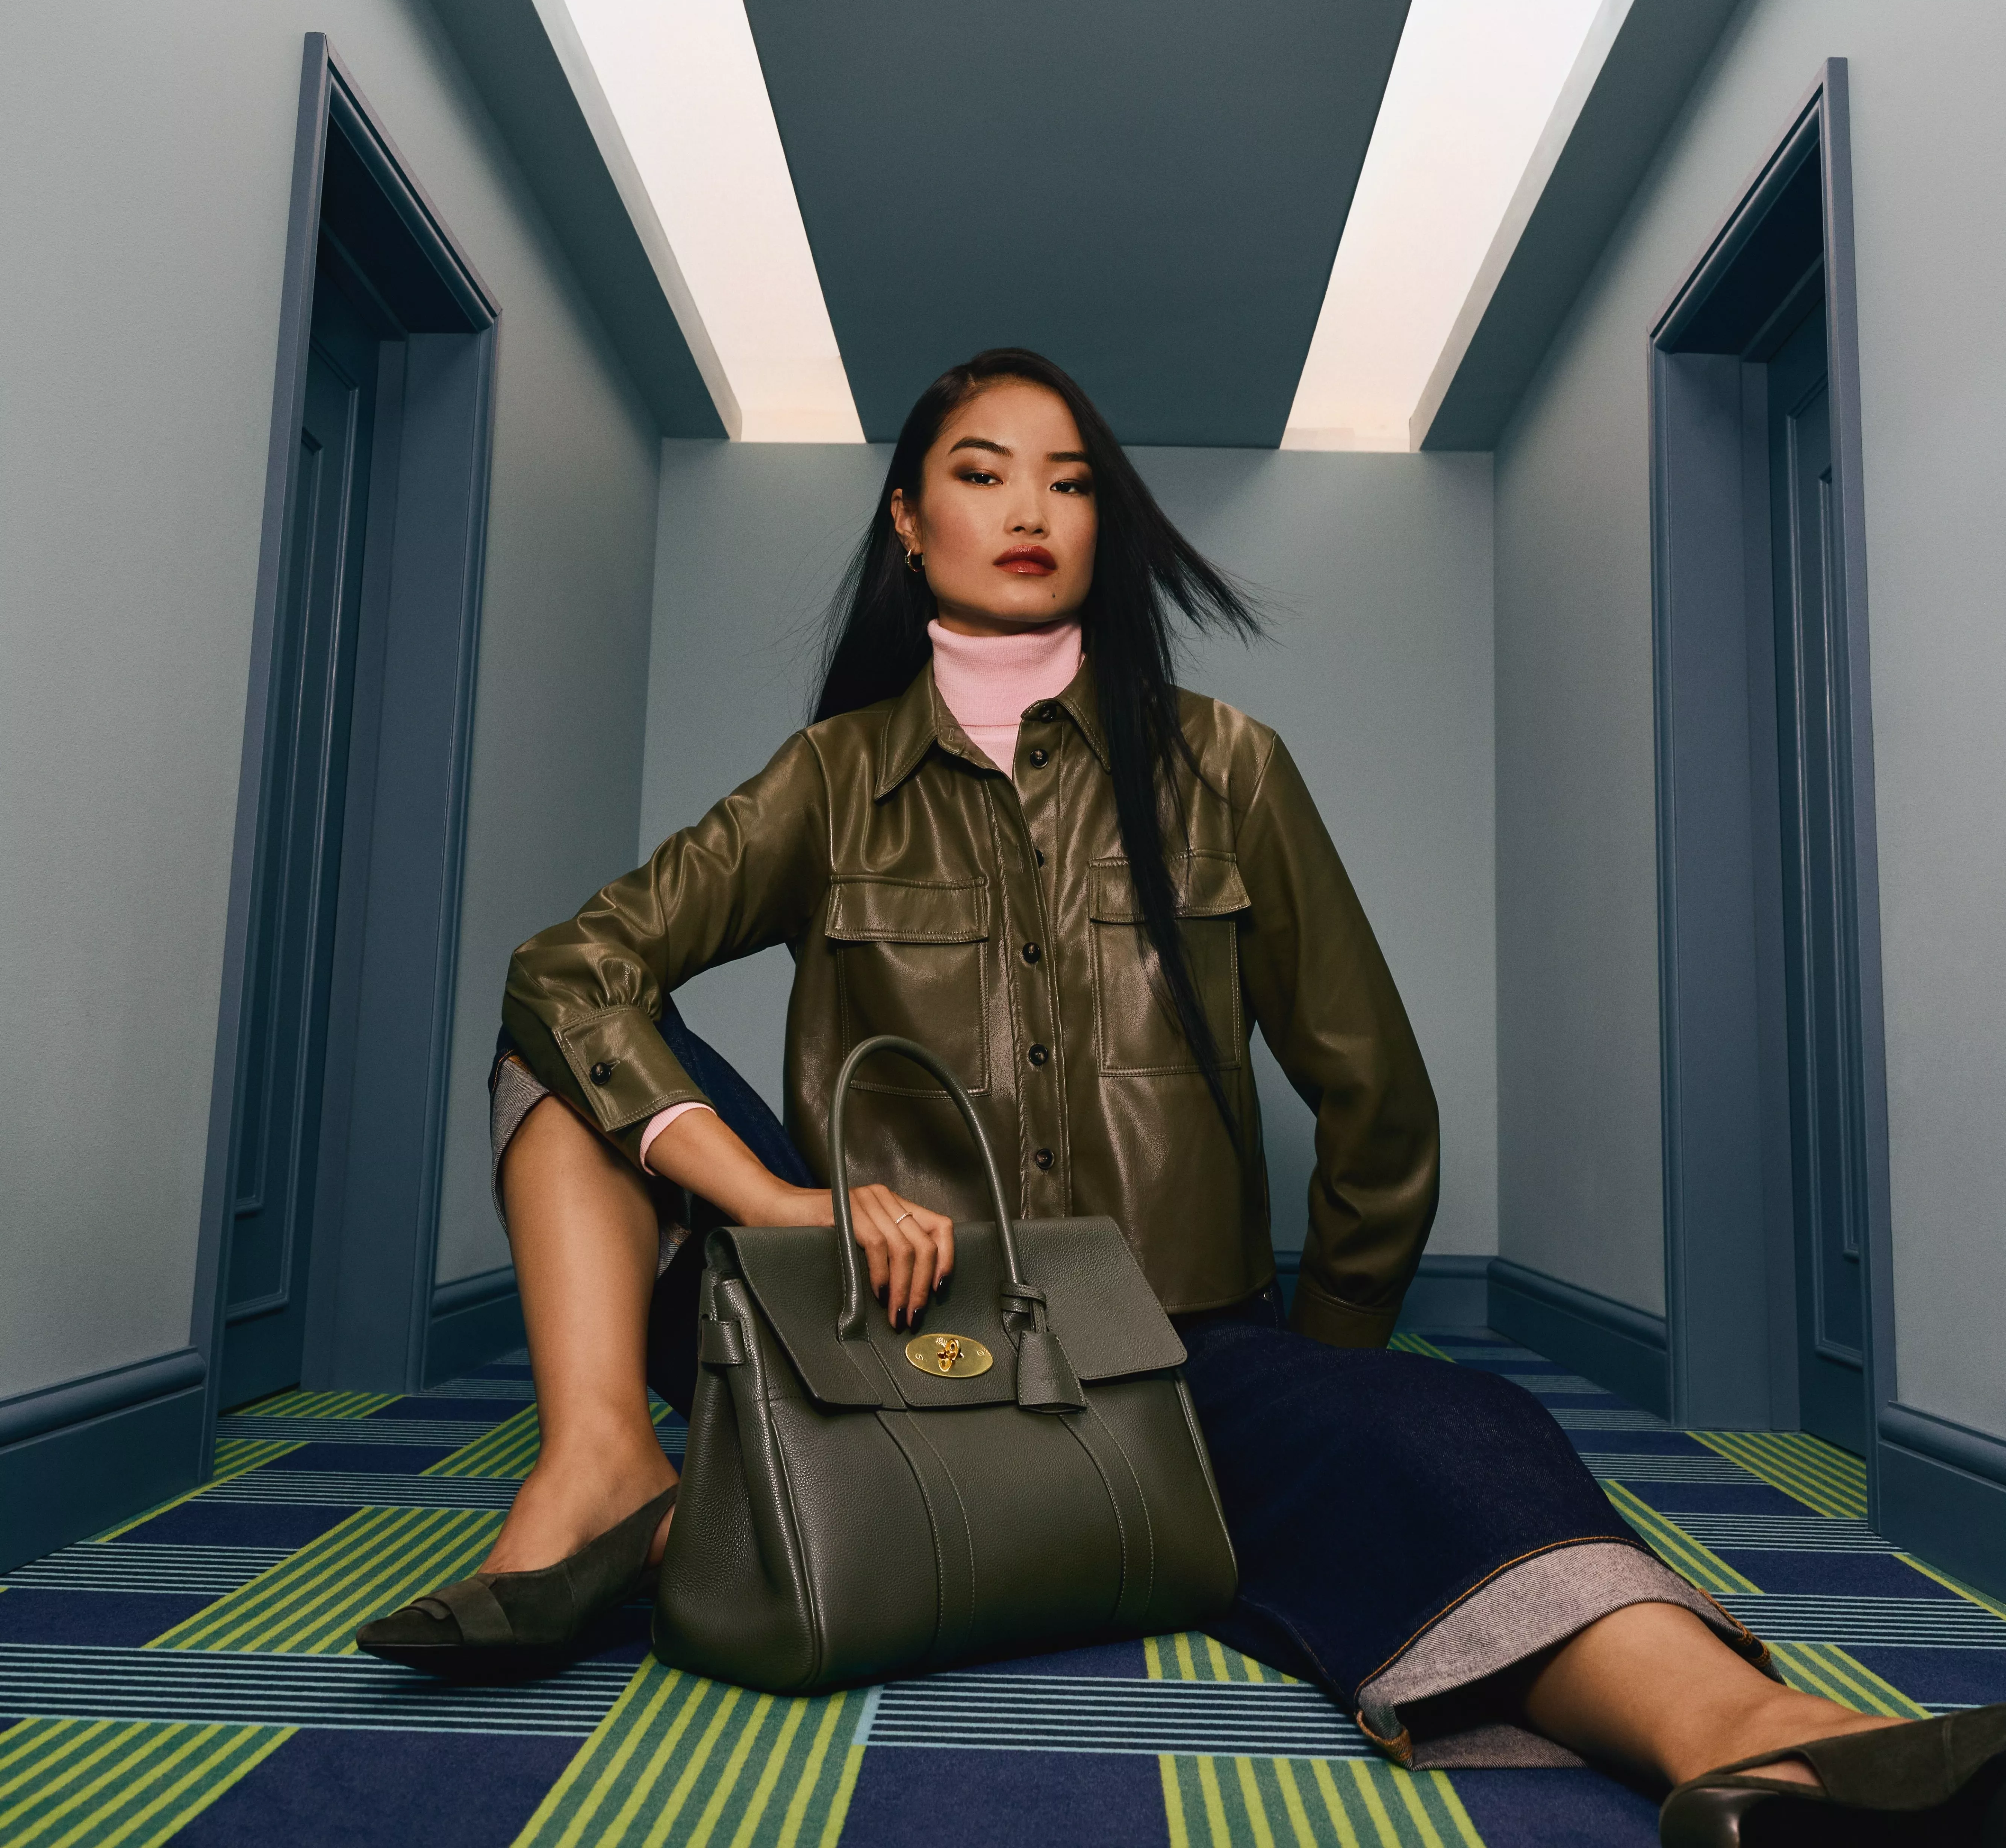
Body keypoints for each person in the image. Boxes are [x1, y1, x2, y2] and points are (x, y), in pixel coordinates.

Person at [360, 349, 2004, 1841]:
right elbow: (573, 965)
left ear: (1104, 527)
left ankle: (1744, 1739)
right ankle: (598, 1462)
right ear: (908, 516)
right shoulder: (829, 778)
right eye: (985, 469)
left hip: (1170, 1346)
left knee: (1445, 1429)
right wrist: (787, 1201)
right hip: (857, 1324)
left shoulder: (1226, 763)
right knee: (560, 1044)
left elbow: (1373, 1100)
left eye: (1069, 480)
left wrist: (1323, 1364)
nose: (1029, 507)